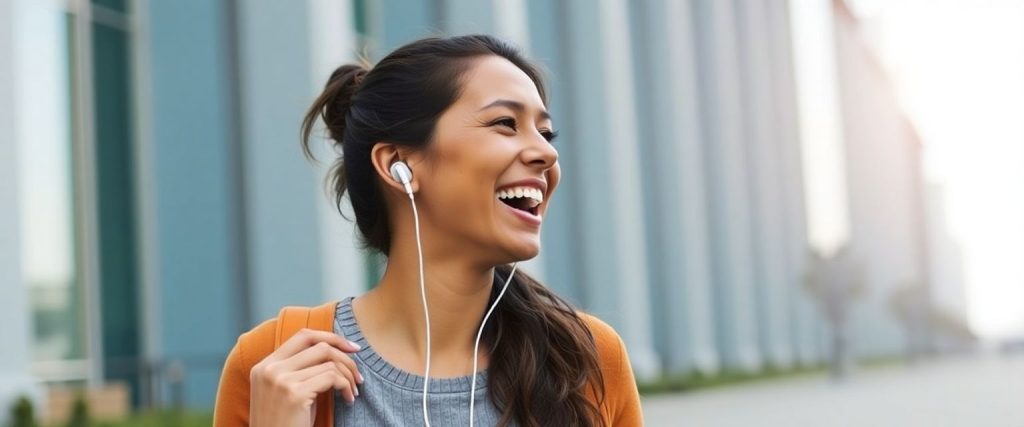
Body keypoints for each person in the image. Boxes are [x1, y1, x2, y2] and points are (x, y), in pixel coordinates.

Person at [213, 34, 643, 427]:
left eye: (547, 133)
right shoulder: (275, 365)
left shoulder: (586, 360)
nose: (546, 153)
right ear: (398, 164)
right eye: (505, 124)